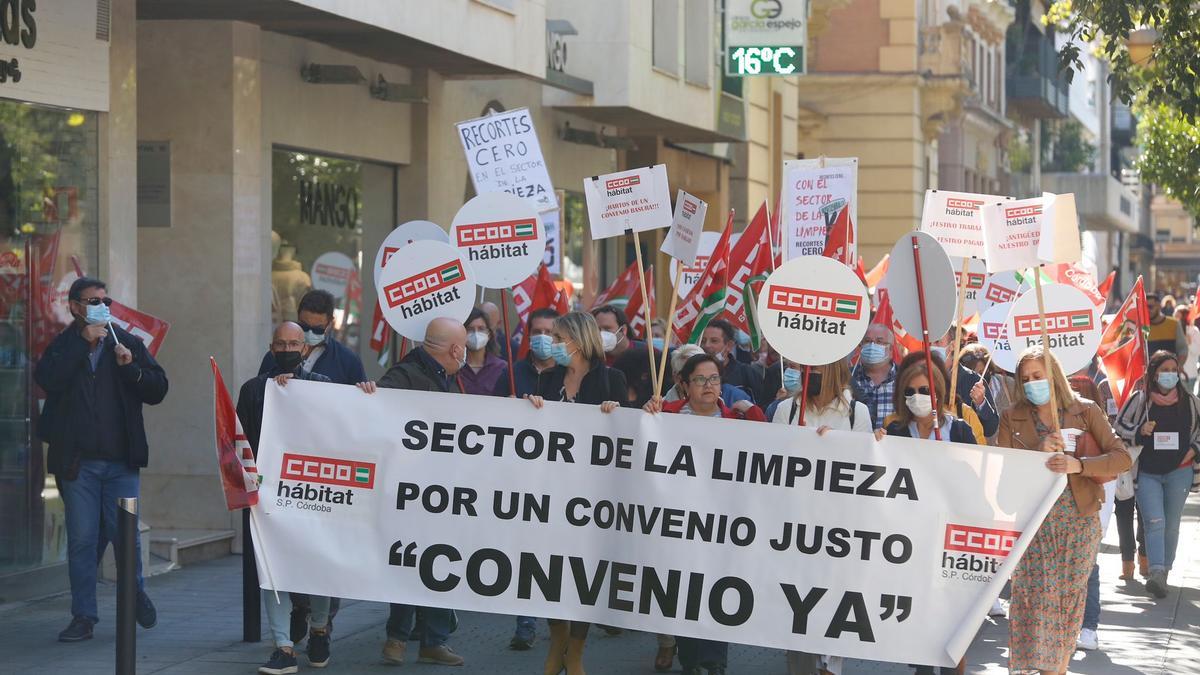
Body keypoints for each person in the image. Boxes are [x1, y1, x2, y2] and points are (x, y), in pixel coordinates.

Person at [35, 276, 168, 643]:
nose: (100, 305)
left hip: (121, 463)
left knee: (125, 539)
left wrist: (130, 368)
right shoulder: (63, 346)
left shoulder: (125, 342)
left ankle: (134, 594)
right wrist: (82, 344)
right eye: (92, 300)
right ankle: (84, 616)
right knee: (82, 540)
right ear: (75, 306)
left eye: (103, 299)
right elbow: (48, 380)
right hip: (79, 466)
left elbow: (157, 388)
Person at [237, 322, 375, 674]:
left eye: (293, 343)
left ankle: (319, 628)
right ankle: (283, 645)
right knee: (274, 570)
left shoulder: (322, 386)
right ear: (271, 347)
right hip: (270, 497)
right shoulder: (254, 390)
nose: (286, 348)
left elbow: (346, 427)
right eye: (280, 343)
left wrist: (364, 393)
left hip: (313, 493)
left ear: (305, 349)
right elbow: (239, 442)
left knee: (318, 564)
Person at [997, 346, 1130, 675]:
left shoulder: (1084, 410)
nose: (1032, 384)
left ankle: (1054, 670)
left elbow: (1122, 457)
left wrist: (1078, 464)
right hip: (1032, 525)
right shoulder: (1010, 416)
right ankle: (1028, 667)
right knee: (1030, 601)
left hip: (1078, 523)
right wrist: (1038, 457)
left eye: (1038, 376)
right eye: (1025, 379)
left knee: (1065, 604)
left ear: (1053, 375)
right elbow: (1003, 479)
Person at [643, 353, 764, 675]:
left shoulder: (733, 421)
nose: (709, 386)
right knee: (684, 591)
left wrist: (751, 411)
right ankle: (691, 659)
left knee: (716, 591)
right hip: (677, 524)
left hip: (720, 526)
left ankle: (714, 662)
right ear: (683, 385)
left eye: (714, 379)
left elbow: (769, 446)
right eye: (700, 379)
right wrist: (647, 415)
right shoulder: (665, 416)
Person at [525, 310, 626, 675]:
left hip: (593, 498)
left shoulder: (612, 379)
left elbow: (628, 435)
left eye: (557, 336)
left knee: (583, 575)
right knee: (550, 572)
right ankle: (557, 641)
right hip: (551, 494)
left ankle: (576, 653)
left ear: (578, 340)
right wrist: (530, 410)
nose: (551, 344)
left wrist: (617, 413)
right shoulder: (547, 380)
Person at [376, 317, 470, 667]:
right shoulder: (406, 376)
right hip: (414, 491)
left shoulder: (442, 376)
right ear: (456, 349)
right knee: (413, 560)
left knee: (438, 561)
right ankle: (399, 639)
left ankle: (430, 640)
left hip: (440, 489)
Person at [875, 352, 976, 675]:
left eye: (924, 391)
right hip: (910, 538)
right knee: (919, 618)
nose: (916, 398)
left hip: (949, 537)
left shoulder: (959, 430)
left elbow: (977, 479)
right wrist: (876, 445)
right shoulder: (894, 431)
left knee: (951, 621)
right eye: (910, 392)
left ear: (939, 393)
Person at [769, 358, 868, 675]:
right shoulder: (786, 410)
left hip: (839, 525)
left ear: (835, 374)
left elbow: (864, 466)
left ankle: (831, 667)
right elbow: (770, 459)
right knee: (796, 603)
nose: (808, 376)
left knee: (834, 599)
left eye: (817, 372)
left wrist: (835, 449)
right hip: (795, 522)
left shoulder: (856, 413)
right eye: (805, 371)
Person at [1114, 350, 1200, 599]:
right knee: (1154, 521)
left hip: (1180, 472)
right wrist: (1140, 429)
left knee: (1171, 525)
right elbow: (1119, 426)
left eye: (1173, 370)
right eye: (1164, 371)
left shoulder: (1191, 402)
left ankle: (1166, 569)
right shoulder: (1140, 400)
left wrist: (1193, 451)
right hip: (1148, 472)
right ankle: (1156, 571)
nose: (1169, 375)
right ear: (1153, 374)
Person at [1065, 373, 1117, 652]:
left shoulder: (1101, 431)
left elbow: (1112, 472)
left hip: (1089, 516)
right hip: (1059, 518)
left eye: (1078, 392)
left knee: (1090, 571)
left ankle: (1089, 627)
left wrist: (1098, 524)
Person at [257, 288, 367, 385]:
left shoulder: (348, 360)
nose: (309, 333)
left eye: (317, 329)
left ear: (329, 323)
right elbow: (259, 395)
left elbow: (359, 402)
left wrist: (367, 389)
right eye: (304, 326)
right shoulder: (276, 355)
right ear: (298, 317)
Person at [663, 344, 754, 412]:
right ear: (678, 379)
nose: (708, 384)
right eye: (699, 378)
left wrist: (752, 411)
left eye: (713, 377)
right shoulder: (660, 410)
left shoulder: (733, 401)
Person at [700, 319, 765, 406]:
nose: (706, 345)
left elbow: (760, 409)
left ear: (729, 345)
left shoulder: (747, 373)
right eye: (703, 341)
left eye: (714, 341)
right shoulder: (694, 372)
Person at [849, 324, 897, 429]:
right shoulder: (847, 378)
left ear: (891, 349)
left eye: (879, 341)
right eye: (867, 341)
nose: (872, 345)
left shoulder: (905, 379)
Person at [459, 307, 509, 396]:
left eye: (481, 329)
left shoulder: (502, 368)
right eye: (470, 329)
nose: (476, 333)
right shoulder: (455, 368)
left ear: (489, 334)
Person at [1145, 293, 1188, 360]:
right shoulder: (1144, 327)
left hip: (1170, 370)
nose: (1147, 310)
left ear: (1159, 306)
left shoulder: (1174, 323)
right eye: (1145, 308)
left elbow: (1182, 349)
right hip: (1151, 369)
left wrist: (1179, 366)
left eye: (1150, 307)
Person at [1175, 306, 1200, 383]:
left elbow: (1197, 352)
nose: (1175, 319)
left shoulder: (1193, 331)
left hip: (1189, 374)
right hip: (1174, 374)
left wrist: (1190, 343)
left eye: (1178, 316)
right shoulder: (1172, 329)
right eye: (1175, 315)